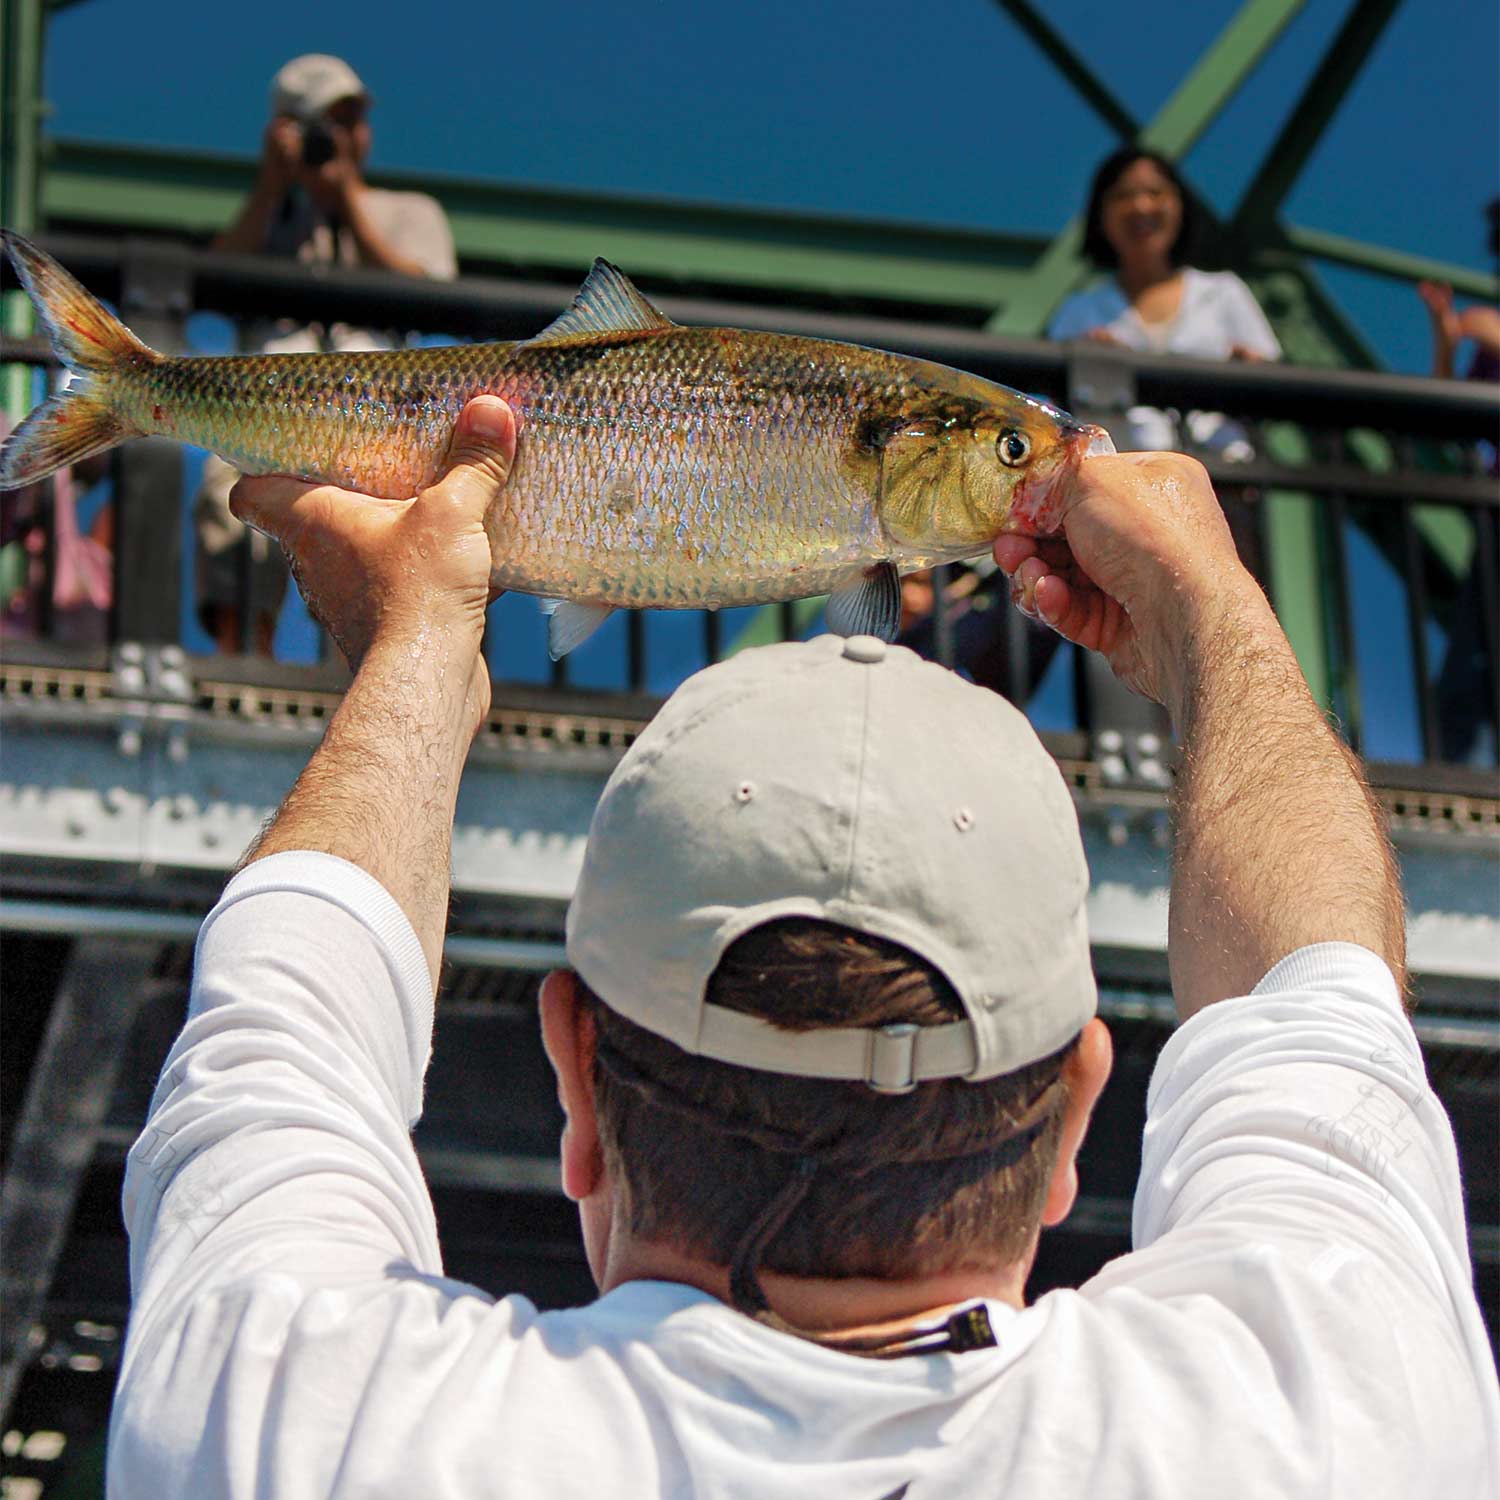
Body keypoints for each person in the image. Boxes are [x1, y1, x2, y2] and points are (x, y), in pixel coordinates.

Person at [106, 396, 1499, 1496]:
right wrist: (1216, 608)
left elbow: (283, 1026)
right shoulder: (1335, 1422)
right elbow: (1317, 1003)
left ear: (573, 1085)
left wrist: (416, 645)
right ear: (1080, 1113)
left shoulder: (297, 1424)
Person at [194, 54, 457, 656]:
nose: (344, 137)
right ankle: (244, 663)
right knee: (226, 500)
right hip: (265, 407)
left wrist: (347, 201)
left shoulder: (408, 211)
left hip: (376, 416)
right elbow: (214, 279)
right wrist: (272, 186)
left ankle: (358, 671)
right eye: (327, 122)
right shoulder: (267, 214)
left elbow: (429, 293)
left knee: (372, 533)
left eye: (354, 118)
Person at [1049, 147, 1280, 457]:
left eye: (1155, 192)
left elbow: (1276, 391)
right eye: (1123, 195)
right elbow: (1053, 416)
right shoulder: (1080, 313)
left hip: (1224, 480)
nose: (1141, 206)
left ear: (1180, 205)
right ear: (1100, 215)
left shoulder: (1224, 292)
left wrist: (1250, 370)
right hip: (1124, 486)